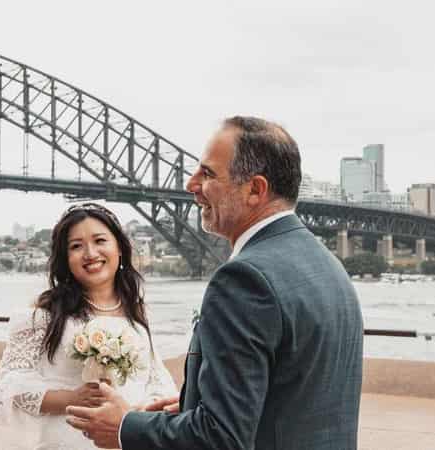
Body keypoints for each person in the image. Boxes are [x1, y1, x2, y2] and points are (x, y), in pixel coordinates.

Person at [67, 116, 364, 449]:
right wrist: (197, 404)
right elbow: (299, 396)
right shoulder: (329, 268)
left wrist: (125, 427)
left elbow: (222, 438)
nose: (190, 184)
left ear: (255, 189)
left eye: (207, 174)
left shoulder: (245, 279)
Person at [0, 202, 178, 449]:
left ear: (119, 248)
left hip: (127, 439)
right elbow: (10, 385)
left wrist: (137, 415)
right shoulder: (46, 314)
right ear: (66, 259)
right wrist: (72, 398)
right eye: (76, 246)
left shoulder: (136, 313)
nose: (90, 253)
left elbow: (156, 380)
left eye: (100, 241)